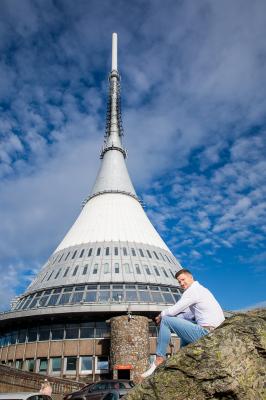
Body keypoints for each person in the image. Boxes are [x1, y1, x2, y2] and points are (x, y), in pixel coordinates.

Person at [141, 268, 225, 378]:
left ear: (191, 277)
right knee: (182, 339)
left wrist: (161, 315)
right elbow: (186, 315)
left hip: (207, 332)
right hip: (214, 333)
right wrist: (174, 319)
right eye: (179, 282)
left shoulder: (193, 290)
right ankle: (177, 366)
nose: (181, 283)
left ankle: (159, 358)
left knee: (166, 320)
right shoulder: (201, 291)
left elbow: (175, 309)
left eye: (183, 279)